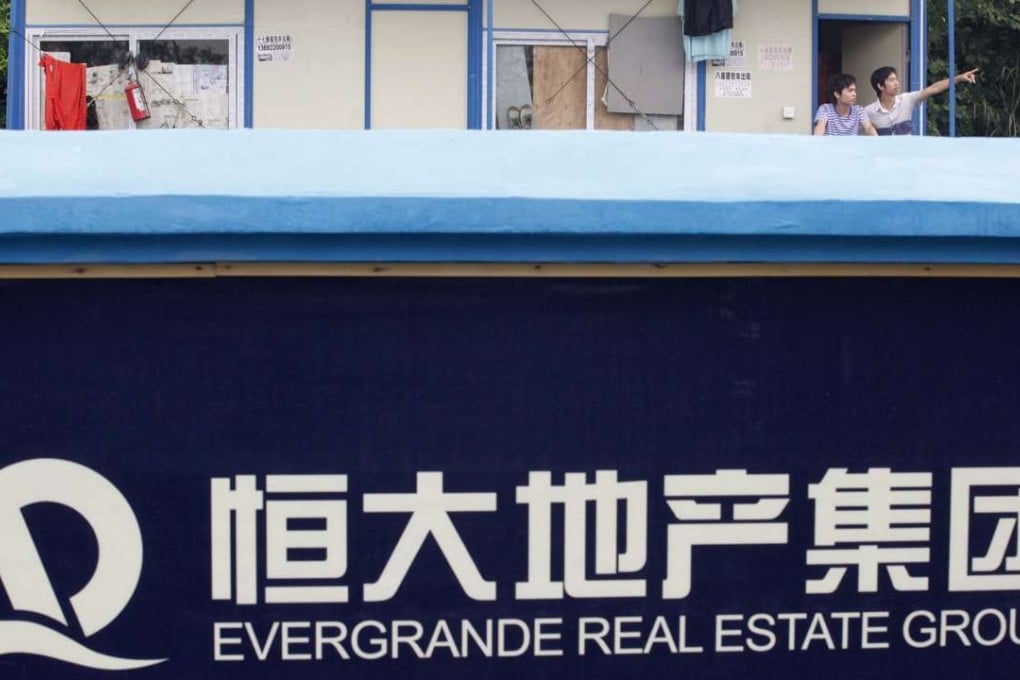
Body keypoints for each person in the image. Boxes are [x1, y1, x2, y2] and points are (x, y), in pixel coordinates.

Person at [865, 66, 979, 135]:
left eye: (896, 79)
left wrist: (958, 78)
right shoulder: (868, 111)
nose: (897, 83)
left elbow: (934, 88)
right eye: (891, 80)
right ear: (880, 86)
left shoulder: (907, 99)